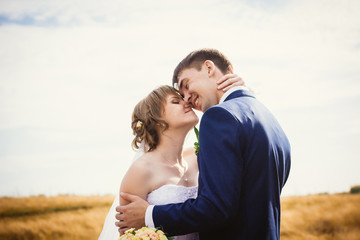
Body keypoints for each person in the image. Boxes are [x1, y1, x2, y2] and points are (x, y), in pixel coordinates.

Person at [115, 48, 291, 240]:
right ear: (156, 120)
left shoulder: (219, 117)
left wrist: (149, 215)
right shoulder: (268, 119)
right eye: (179, 98)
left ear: (209, 68)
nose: (187, 99)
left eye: (186, 85)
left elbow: (216, 207)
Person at [98, 76, 243, 240]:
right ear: (156, 121)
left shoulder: (199, 158)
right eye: (176, 101)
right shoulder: (141, 170)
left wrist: (234, 92)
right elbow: (129, 234)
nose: (187, 102)